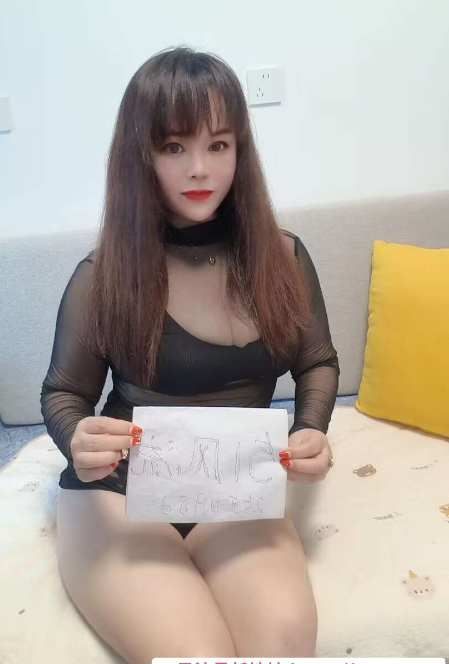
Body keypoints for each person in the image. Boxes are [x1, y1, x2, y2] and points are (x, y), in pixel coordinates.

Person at [41, 47, 339, 663]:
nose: (200, 168)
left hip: (236, 490)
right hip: (120, 493)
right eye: (173, 147)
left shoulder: (282, 256)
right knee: (195, 653)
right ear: (141, 155)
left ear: (240, 151)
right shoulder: (104, 274)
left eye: (218, 145)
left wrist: (311, 429)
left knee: (285, 641)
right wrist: (77, 438)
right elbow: (64, 393)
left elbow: (316, 362)